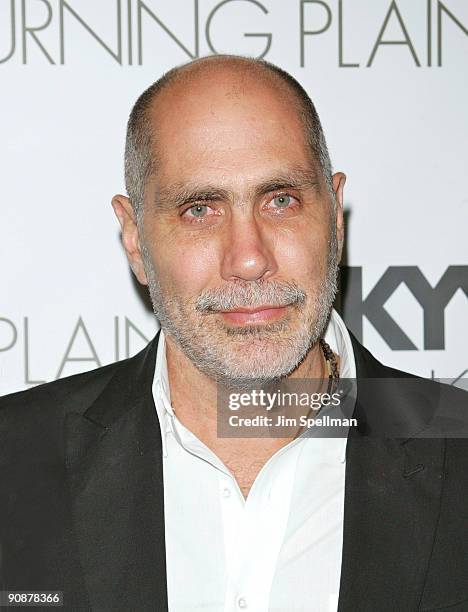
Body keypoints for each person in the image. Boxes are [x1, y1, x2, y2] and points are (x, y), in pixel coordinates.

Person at [1, 55, 467, 612]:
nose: (249, 259)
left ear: (335, 217)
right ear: (134, 239)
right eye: (200, 209)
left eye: (281, 200)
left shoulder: (457, 452)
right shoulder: (13, 462)